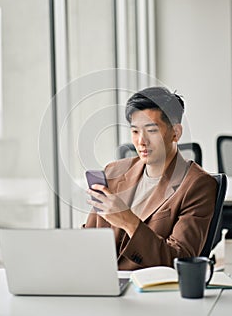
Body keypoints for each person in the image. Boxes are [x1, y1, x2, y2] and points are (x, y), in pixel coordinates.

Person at [84, 86, 217, 270]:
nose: (141, 141)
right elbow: (86, 238)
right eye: (135, 131)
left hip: (148, 290)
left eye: (152, 130)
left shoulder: (198, 185)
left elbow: (180, 259)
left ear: (176, 133)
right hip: (99, 280)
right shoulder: (113, 172)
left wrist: (129, 221)